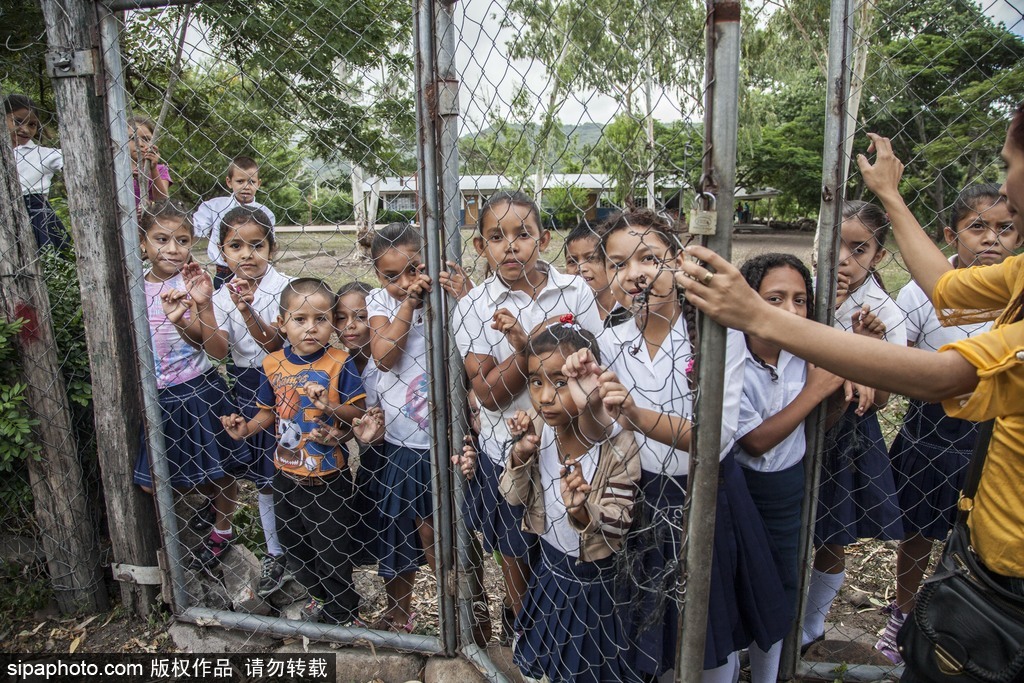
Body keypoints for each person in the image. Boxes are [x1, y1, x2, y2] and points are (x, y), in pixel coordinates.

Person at [675, 109, 1024, 683]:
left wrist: (760, 317)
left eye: (1010, 165)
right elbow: (949, 290)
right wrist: (889, 195)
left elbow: (945, 377)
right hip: (991, 542)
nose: (1005, 191)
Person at [594, 209, 791, 683]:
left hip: (708, 495)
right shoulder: (612, 339)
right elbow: (604, 427)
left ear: (679, 262)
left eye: (649, 258)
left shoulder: (717, 336)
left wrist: (637, 416)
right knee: (657, 623)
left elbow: (714, 438)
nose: (634, 273)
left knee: (711, 626)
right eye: (618, 264)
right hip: (643, 496)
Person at [873, 184, 1021, 663]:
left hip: (991, 433)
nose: (992, 238)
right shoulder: (920, 290)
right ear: (950, 235)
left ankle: (959, 617)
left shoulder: (1014, 291)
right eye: (977, 227)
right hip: (929, 426)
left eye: (1005, 228)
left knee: (970, 536)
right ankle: (903, 611)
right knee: (918, 530)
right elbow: (900, 350)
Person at [454, 191, 602, 643]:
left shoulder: (574, 290)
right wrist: (531, 346)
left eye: (523, 234)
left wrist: (529, 346)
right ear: (480, 246)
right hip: (507, 450)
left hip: (571, 446)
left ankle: (566, 634)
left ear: (545, 239)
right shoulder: (474, 305)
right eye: (496, 237)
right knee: (515, 549)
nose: (511, 246)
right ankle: (523, 629)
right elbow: (489, 394)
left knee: (567, 546)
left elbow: (594, 362)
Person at [499, 316, 641, 683]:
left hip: (597, 586)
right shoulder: (539, 429)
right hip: (549, 572)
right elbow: (512, 496)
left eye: (560, 383)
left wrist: (582, 510)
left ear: (589, 384)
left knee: (594, 668)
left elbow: (620, 523)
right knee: (547, 662)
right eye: (536, 382)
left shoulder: (617, 445)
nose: (545, 396)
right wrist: (520, 455)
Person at [221, 278, 366, 624]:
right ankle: (321, 599)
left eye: (321, 319)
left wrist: (329, 406)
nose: (311, 328)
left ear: (332, 323)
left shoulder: (339, 362)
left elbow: (357, 412)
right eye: (300, 319)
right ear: (281, 323)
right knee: (295, 547)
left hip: (327, 479)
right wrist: (245, 430)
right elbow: (266, 413)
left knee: (333, 552)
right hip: (285, 474)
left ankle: (344, 613)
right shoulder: (272, 363)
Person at [732, 253, 846, 679]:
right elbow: (755, 441)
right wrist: (815, 391)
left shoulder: (806, 353)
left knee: (780, 585)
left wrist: (838, 388)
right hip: (739, 487)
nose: (791, 311)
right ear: (749, 300)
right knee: (734, 584)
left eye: (800, 300)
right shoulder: (730, 357)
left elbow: (816, 423)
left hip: (787, 488)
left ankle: (767, 675)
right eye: (775, 298)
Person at [800, 200, 908, 648]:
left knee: (831, 534)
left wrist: (863, 361)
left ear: (878, 256)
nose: (842, 258)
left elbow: (881, 399)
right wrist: (826, 313)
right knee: (785, 528)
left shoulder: (884, 312)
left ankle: (811, 624)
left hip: (848, 437)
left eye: (858, 248)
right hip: (790, 421)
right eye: (833, 244)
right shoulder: (797, 291)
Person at [174, 205, 294, 585]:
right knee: (264, 479)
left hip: (288, 381)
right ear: (222, 253)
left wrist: (247, 312)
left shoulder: (287, 289)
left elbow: (276, 345)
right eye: (236, 246)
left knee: (294, 469)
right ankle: (276, 552)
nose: (247, 255)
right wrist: (204, 306)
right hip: (247, 384)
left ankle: (301, 546)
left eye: (257, 245)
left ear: (271, 248)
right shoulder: (222, 295)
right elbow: (217, 350)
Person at [131, 200, 247, 568]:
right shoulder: (133, 285)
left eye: (182, 240)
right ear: (142, 243)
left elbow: (214, 349)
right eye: (161, 239)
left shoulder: (194, 283)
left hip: (198, 388)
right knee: (152, 480)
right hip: (156, 395)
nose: (172, 249)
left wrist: (194, 309)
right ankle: (207, 502)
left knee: (221, 468)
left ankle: (223, 529)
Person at [333, 280, 386, 567]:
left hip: (396, 450)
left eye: (361, 317)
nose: (350, 325)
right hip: (368, 457)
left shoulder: (388, 360)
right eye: (341, 318)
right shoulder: (338, 365)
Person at [193, 156, 277, 288]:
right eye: (240, 181)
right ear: (229, 182)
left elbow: (269, 243)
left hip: (254, 270)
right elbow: (195, 228)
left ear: (258, 183)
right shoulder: (214, 207)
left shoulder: (266, 213)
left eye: (252, 182)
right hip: (224, 272)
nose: (246, 187)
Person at [4, 94, 69, 251]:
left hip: (36, 217)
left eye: (32, 124)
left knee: (44, 258)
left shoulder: (43, 154)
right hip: (4, 214)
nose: (25, 129)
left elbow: (69, 160)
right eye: (18, 121)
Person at [563, 219, 630, 327]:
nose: (580, 268)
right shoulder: (563, 309)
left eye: (591, 258)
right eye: (572, 261)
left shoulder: (630, 306)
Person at [129, 115, 171, 208]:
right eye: (132, 138)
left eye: (146, 139)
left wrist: (153, 169)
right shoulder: (118, 170)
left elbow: (162, 201)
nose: (140, 144)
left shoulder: (160, 169)